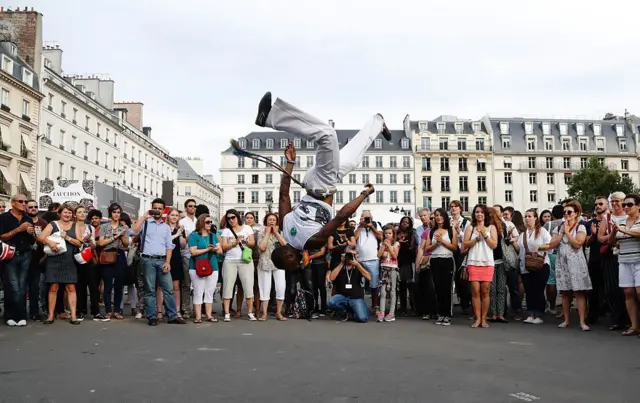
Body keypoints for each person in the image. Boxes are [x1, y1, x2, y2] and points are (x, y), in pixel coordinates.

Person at [254, 92, 388, 271]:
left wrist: (364, 194)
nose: (301, 262)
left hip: (322, 185)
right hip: (317, 183)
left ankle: (271, 117)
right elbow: (284, 193)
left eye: (295, 262)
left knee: (327, 135)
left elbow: (341, 216)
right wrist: (290, 163)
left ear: (288, 255)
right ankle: (378, 123)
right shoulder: (284, 227)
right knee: (352, 159)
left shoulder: (312, 242)